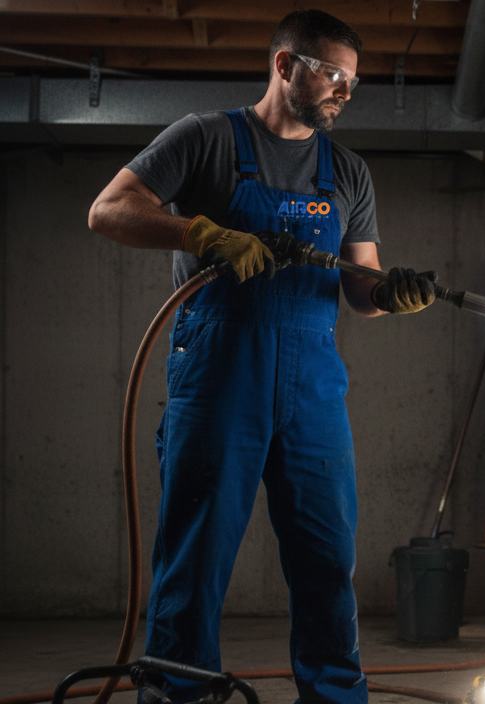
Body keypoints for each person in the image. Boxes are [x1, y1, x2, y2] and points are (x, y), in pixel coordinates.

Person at [87, 10, 437, 704]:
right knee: (196, 557)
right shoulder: (207, 138)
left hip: (312, 392)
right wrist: (205, 233)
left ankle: (335, 697)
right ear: (285, 66)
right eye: (332, 74)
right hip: (219, 380)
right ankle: (180, 696)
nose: (344, 91)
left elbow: (359, 286)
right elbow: (108, 209)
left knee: (327, 562)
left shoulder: (348, 172)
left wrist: (389, 293)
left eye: (352, 82)